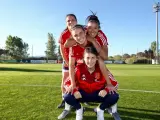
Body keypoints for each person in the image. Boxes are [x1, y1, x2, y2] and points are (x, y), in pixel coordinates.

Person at [64, 46, 119, 120]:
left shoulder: (102, 69)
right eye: (87, 58)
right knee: (67, 96)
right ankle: (79, 109)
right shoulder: (78, 68)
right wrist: (74, 91)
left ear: (97, 58)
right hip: (82, 95)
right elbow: (66, 82)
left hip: (98, 94)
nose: (90, 61)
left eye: (93, 58)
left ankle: (100, 109)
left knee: (114, 96)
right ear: (83, 58)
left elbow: (115, 84)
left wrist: (106, 90)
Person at [58, 14, 77, 108]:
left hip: (79, 60)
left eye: (72, 20)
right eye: (68, 20)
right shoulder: (64, 33)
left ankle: (78, 98)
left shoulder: (80, 30)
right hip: (67, 59)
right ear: (66, 22)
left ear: (76, 21)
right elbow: (61, 49)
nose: (70, 22)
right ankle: (64, 99)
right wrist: (66, 60)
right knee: (65, 80)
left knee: (78, 80)